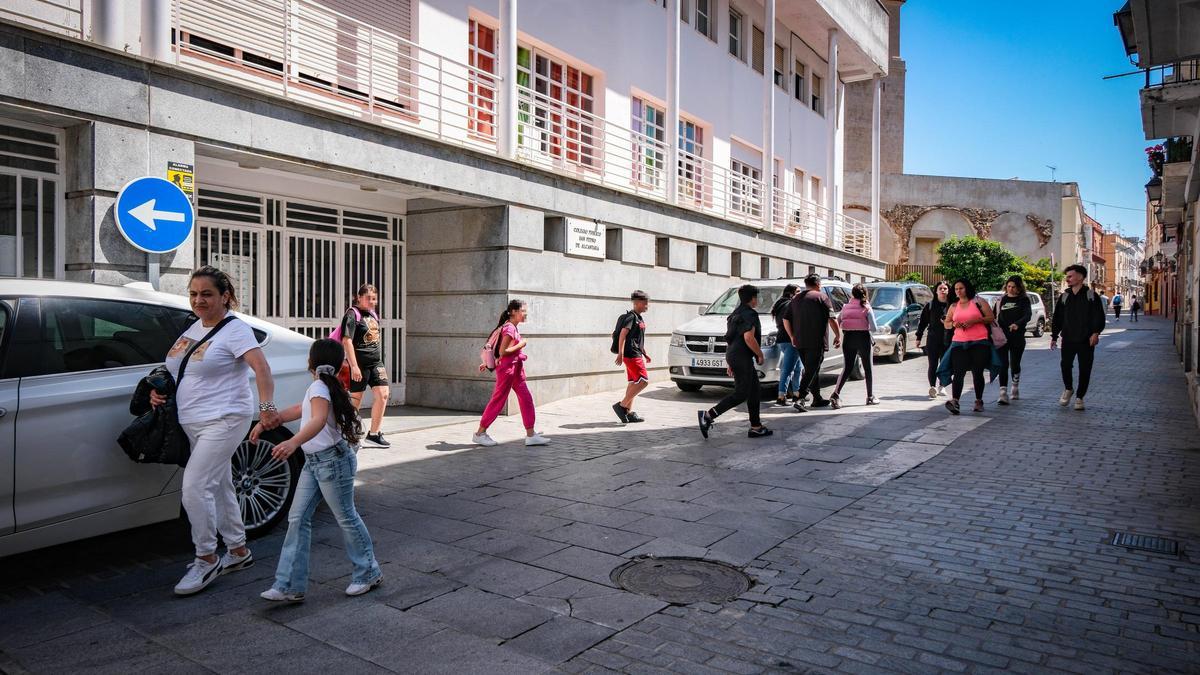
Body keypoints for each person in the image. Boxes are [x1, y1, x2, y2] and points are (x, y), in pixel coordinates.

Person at [152, 266, 281, 596]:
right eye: (193, 294)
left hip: (224, 418)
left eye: (206, 294)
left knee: (195, 487)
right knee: (220, 483)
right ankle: (238, 550)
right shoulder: (194, 326)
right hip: (193, 420)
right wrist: (160, 390)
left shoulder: (235, 330)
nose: (198, 300)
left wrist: (266, 409)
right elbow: (180, 369)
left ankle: (206, 558)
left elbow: (262, 368)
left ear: (225, 296)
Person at [255, 339, 383, 602]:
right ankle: (289, 584)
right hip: (317, 463)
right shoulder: (324, 386)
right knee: (297, 519)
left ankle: (368, 572)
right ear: (339, 365)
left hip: (331, 462)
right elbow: (304, 412)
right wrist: (273, 421)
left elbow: (317, 419)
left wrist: (292, 442)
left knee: (346, 517)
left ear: (310, 363)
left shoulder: (319, 386)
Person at [697, 285, 773, 439]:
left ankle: (756, 427)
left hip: (734, 355)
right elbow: (748, 337)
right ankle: (708, 415)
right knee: (741, 393)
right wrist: (759, 354)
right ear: (753, 298)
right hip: (742, 357)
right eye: (757, 297)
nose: (757, 300)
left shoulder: (734, 314)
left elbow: (731, 339)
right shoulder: (750, 314)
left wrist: (730, 361)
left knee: (754, 391)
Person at [473, 300, 549, 446]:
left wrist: (491, 362)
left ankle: (531, 434)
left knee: (526, 399)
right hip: (508, 370)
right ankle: (480, 433)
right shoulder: (509, 328)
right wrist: (522, 343)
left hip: (515, 369)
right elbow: (503, 351)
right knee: (498, 400)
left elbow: (500, 352)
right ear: (514, 312)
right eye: (523, 311)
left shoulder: (511, 327)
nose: (525, 314)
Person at [340, 284, 390, 448]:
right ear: (358, 297)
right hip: (359, 364)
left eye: (374, 298)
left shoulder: (373, 314)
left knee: (383, 395)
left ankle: (374, 434)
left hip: (376, 363)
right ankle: (349, 433)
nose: (372, 301)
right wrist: (353, 366)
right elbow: (346, 340)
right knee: (356, 399)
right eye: (368, 298)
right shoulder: (352, 314)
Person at [1051, 264, 1106, 411]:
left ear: (1080, 277)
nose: (1067, 279)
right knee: (1065, 365)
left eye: (1070, 276)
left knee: (1085, 369)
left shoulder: (1091, 296)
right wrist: (1054, 336)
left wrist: (1096, 333)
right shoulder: (1064, 296)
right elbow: (1058, 318)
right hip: (1068, 338)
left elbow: (1098, 316)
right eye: (1067, 276)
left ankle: (1080, 397)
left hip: (1086, 340)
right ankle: (1068, 388)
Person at [784, 274, 841, 412]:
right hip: (816, 341)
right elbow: (831, 318)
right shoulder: (821, 297)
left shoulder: (795, 299)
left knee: (811, 369)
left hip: (799, 341)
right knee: (812, 369)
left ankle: (817, 398)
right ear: (818, 284)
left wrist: (792, 336)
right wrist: (838, 335)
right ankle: (800, 397)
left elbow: (786, 319)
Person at [939, 278, 996, 415]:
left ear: (967, 288)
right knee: (959, 372)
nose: (958, 291)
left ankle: (978, 400)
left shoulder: (979, 302)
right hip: (959, 342)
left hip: (979, 342)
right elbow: (947, 323)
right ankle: (955, 401)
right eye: (956, 289)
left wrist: (976, 320)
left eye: (961, 288)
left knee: (977, 372)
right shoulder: (953, 306)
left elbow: (991, 318)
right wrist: (953, 324)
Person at [829, 284, 878, 409]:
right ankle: (870, 396)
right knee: (868, 368)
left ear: (852, 294)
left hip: (849, 338)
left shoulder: (845, 307)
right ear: (865, 294)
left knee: (847, 367)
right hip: (863, 338)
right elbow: (874, 327)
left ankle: (836, 393)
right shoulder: (867, 307)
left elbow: (839, 322)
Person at [613, 291, 651, 424]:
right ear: (636, 303)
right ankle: (622, 406)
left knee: (634, 382)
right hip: (631, 354)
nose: (647, 305)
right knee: (643, 382)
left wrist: (644, 353)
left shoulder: (639, 317)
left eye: (647, 302)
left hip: (636, 353)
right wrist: (620, 353)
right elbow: (623, 334)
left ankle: (628, 413)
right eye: (644, 302)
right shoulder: (631, 317)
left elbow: (637, 338)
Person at [994, 275, 1031, 404]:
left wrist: (1017, 324)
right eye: (1008, 286)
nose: (1010, 289)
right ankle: (1003, 393)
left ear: (1019, 288)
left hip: (1017, 337)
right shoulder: (1001, 299)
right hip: (1002, 337)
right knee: (1003, 364)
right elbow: (994, 317)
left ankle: (1015, 386)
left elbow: (1028, 315)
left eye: (1013, 287)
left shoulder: (1024, 300)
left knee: (1014, 364)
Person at [916, 281, 952, 399]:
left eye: (945, 288)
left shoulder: (952, 306)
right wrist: (918, 337)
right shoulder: (930, 305)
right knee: (932, 364)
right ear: (936, 291)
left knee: (945, 364)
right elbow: (922, 323)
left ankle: (942, 386)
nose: (943, 290)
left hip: (948, 339)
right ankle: (933, 387)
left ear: (948, 291)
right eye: (940, 288)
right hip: (932, 339)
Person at [771, 284, 804, 405]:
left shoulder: (779, 303)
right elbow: (788, 321)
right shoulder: (791, 305)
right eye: (798, 291)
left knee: (798, 367)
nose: (800, 294)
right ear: (791, 293)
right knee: (788, 369)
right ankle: (781, 396)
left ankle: (797, 393)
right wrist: (793, 336)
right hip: (791, 340)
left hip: (782, 339)